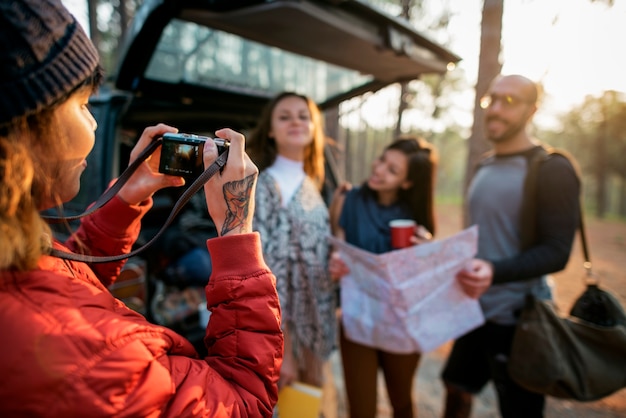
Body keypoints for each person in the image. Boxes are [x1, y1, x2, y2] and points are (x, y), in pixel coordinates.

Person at [0, 1, 282, 416]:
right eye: (81, 105)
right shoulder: (91, 360)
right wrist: (236, 232)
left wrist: (124, 201)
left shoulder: (18, 272)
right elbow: (245, 401)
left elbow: (67, 284)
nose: (94, 122)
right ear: (21, 135)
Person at [440, 74, 581, 418]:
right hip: (474, 312)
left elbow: (557, 251)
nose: (497, 109)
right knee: (456, 388)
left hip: (520, 320)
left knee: (521, 410)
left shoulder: (552, 168)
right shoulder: (484, 165)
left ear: (531, 111)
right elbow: (482, 238)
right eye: (493, 99)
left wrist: (494, 271)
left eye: (511, 101)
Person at [327, 136, 438, 418]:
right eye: (381, 161)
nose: (378, 170)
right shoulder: (345, 198)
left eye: (392, 170)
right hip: (358, 318)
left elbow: (424, 279)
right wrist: (336, 264)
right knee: (361, 410)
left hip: (402, 321)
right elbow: (337, 247)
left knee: (401, 404)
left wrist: (429, 253)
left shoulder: (414, 215)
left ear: (408, 183)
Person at [247, 92, 338, 393]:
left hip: (316, 321)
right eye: (284, 116)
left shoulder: (315, 182)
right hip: (288, 332)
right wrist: (281, 346)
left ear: (314, 127)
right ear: (271, 131)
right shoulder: (266, 185)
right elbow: (267, 269)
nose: (296, 121)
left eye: (303, 115)